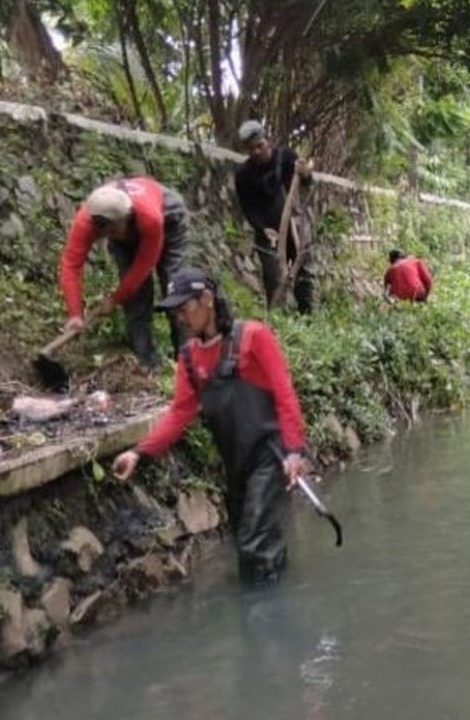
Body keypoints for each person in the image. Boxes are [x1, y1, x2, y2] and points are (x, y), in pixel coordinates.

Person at [110, 268, 312, 586]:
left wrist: (295, 452)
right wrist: (139, 453)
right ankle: (275, 594)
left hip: (271, 456)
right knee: (249, 540)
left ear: (207, 299)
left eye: (184, 307)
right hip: (236, 464)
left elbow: (285, 394)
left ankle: (263, 619)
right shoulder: (190, 358)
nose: (179, 317)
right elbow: (179, 413)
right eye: (174, 311)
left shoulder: (253, 336)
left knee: (254, 541)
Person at [59, 177, 191, 368]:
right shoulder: (86, 222)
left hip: (167, 217)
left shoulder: (148, 217)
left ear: (127, 217)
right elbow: (71, 266)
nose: (114, 236)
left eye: (117, 230)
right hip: (133, 224)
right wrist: (75, 314)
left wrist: (116, 298)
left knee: (174, 287)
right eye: (109, 233)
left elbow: (145, 264)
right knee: (136, 299)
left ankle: (187, 361)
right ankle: (147, 364)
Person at [234, 120, 315, 314]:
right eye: (251, 149)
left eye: (260, 146)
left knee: (302, 273)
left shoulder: (286, 157)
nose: (256, 152)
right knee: (273, 279)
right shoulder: (243, 175)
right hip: (267, 235)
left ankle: (307, 317)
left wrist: (304, 174)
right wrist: (262, 228)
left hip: (293, 228)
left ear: (267, 141)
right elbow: (248, 208)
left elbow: (307, 183)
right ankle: (276, 321)